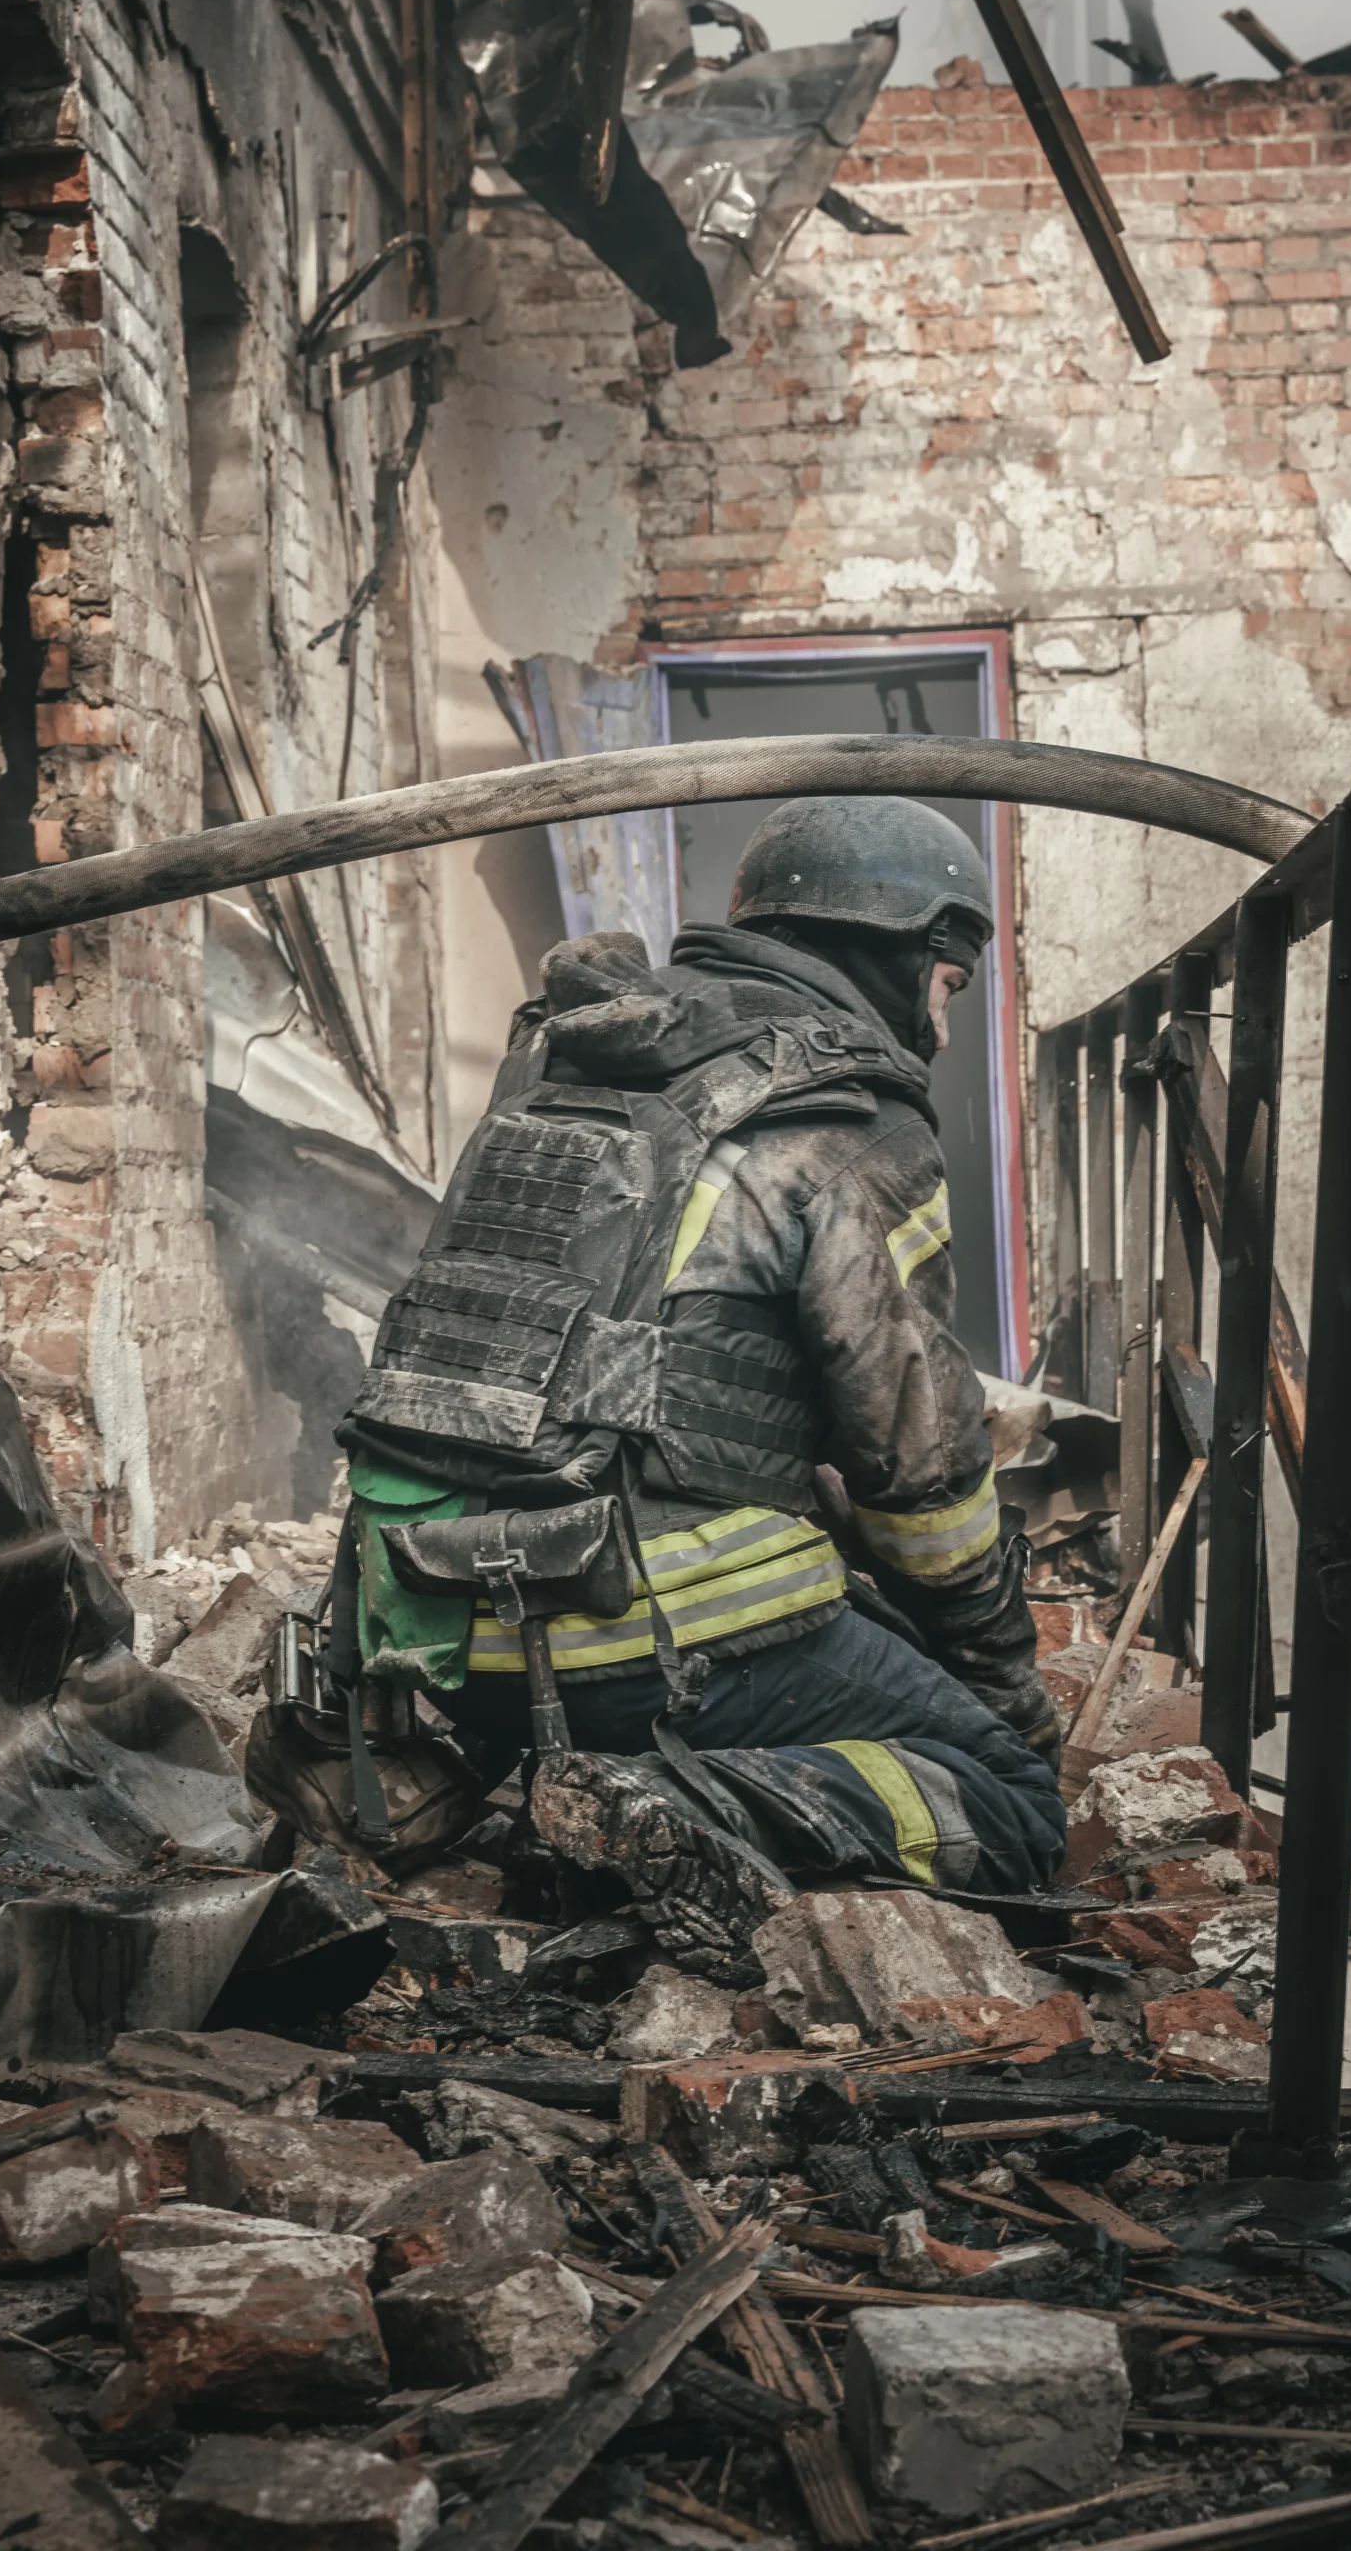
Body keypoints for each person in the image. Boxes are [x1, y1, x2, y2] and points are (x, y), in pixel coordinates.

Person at [337, 796, 1066, 1973]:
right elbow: (918, 1473)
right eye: (949, 983)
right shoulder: (855, 1125)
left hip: (431, 1632)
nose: (941, 1026)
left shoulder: (563, 1065)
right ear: (900, 955)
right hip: (633, 1642)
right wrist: (999, 1677)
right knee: (1012, 1795)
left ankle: (575, 1787)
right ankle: (685, 1802)